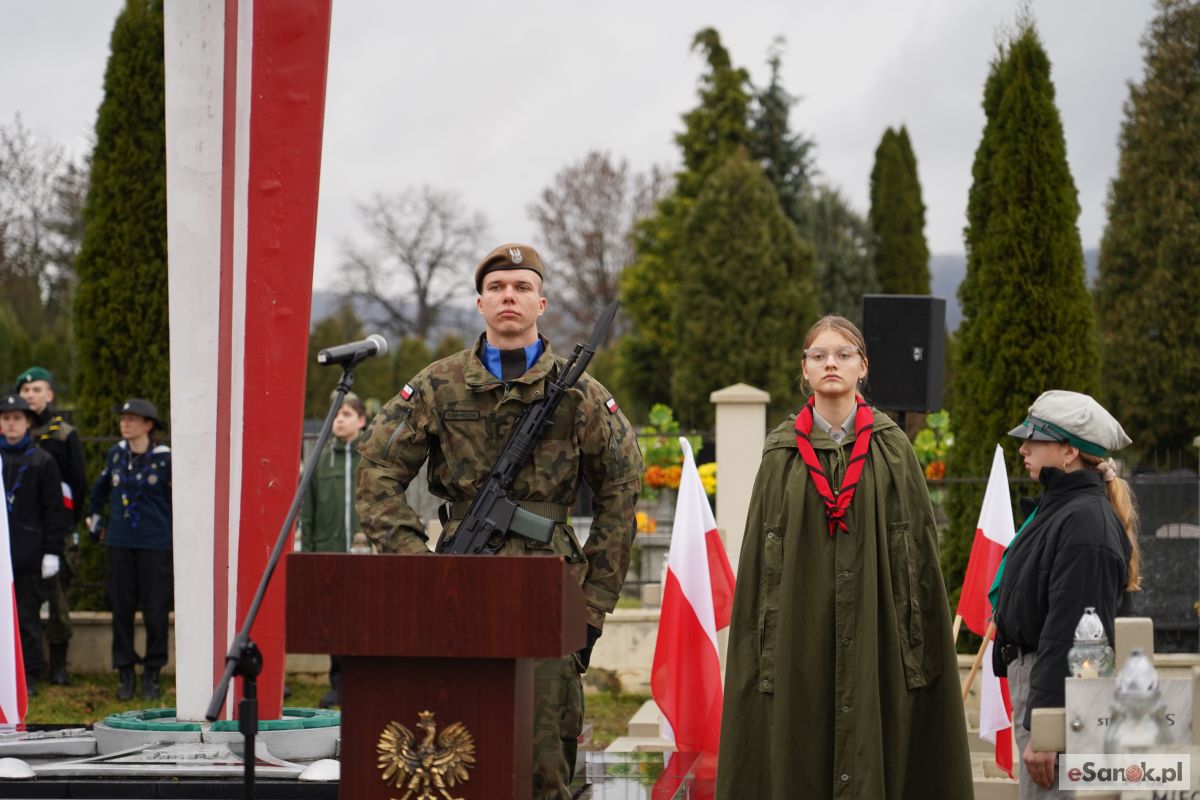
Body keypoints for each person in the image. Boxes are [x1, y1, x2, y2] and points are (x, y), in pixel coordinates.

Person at [356, 243, 643, 800]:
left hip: (550, 586)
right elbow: (377, 469)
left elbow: (622, 489)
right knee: (452, 742)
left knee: (543, 758)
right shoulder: (439, 384)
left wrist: (593, 605)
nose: (509, 296)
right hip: (458, 582)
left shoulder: (581, 393)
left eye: (521, 287)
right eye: (497, 288)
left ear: (541, 303)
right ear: (480, 304)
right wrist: (415, 566)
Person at [716, 315, 973, 799]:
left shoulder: (892, 449)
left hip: (879, 630)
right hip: (799, 631)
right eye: (819, 355)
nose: (830, 363)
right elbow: (760, 565)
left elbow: (917, 558)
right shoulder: (780, 454)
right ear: (805, 369)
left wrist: (912, 643)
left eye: (843, 354)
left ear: (863, 367)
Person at [992, 390, 1138, 797]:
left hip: (1056, 695)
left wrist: (1049, 725)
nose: (1023, 448)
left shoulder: (1084, 521)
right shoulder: (1063, 510)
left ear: (1070, 452)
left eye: (1035, 439)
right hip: (1043, 685)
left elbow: (1075, 634)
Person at [87, 398, 173, 701]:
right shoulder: (116, 454)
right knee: (121, 609)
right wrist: (94, 515)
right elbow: (100, 489)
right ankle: (125, 672)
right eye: (123, 418)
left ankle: (152, 673)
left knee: (156, 611)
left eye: (132, 419)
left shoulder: (165, 459)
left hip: (155, 544)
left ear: (148, 425)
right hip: (120, 542)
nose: (125, 424)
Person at [15, 366, 88, 686]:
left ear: (50, 394)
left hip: (56, 530)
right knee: (22, 603)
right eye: (25, 390)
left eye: (36, 390)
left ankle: (58, 667)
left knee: (57, 600)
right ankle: (24, 666)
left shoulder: (63, 434)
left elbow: (78, 483)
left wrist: (67, 525)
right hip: (22, 531)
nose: (30, 395)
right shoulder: (12, 431)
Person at [298, 392, 368, 708]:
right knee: (336, 619)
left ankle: (364, 681)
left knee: (363, 619)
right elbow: (308, 514)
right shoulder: (320, 461)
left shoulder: (372, 459)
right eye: (336, 414)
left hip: (365, 556)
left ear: (362, 420)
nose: (339, 419)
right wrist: (309, 557)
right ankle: (339, 683)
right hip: (330, 553)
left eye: (347, 414)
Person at [1, 394, 69, 696]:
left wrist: (52, 552)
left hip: (29, 554)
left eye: (17, 418)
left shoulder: (43, 461)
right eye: (5, 418)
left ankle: (29, 674)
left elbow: (54, 511)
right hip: (1, 553)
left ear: (28, 423)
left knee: (27, 617)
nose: (11, 424)